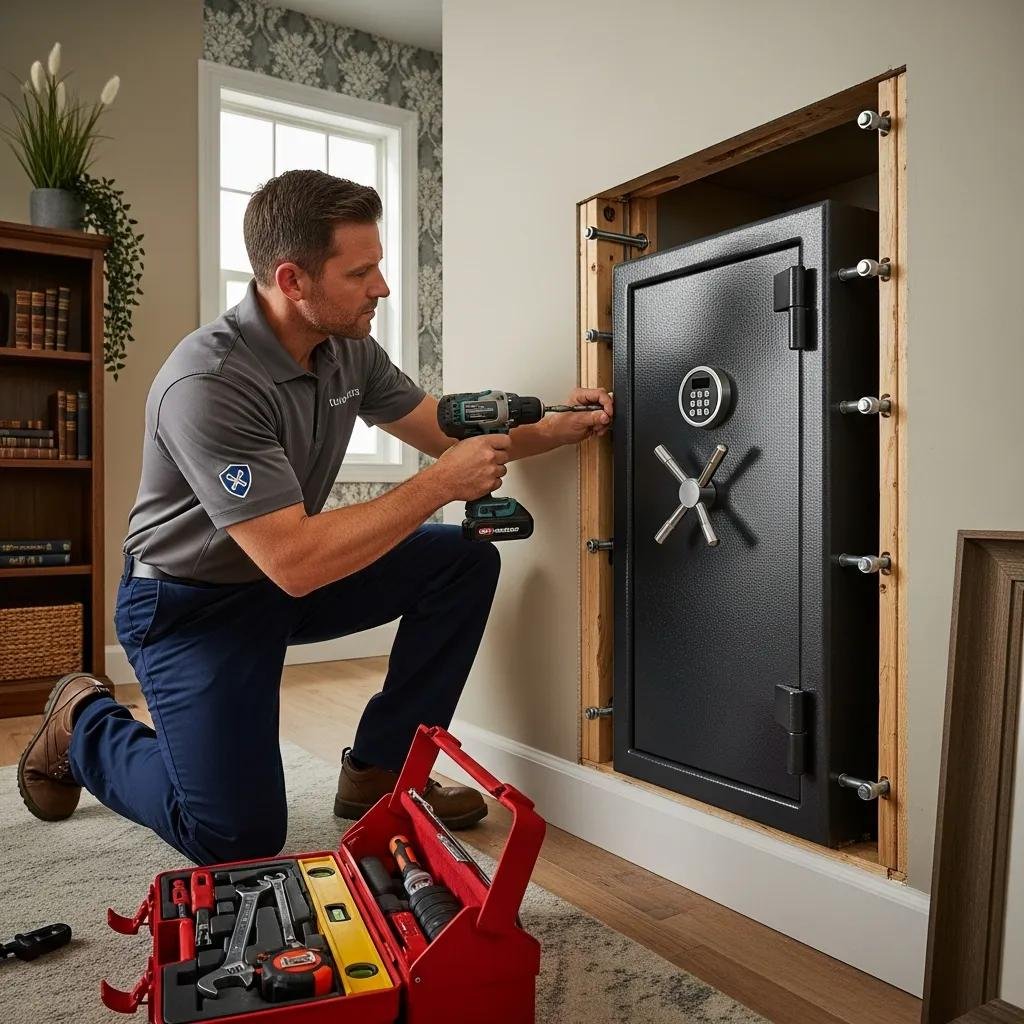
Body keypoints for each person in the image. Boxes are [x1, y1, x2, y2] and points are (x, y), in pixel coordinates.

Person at [17, 169, 613, 865]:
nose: (381, 289)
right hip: (189, 605)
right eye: (361, 273)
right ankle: (82, 722)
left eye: (379, 267)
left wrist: (560, 426)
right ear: (292, 280)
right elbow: (295, 560)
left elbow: (442, 431)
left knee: (462, 560)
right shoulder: (209, 383)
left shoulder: (347, 350)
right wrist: (439, 487)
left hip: (277, 580)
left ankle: (379, 772)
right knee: (235, 836)